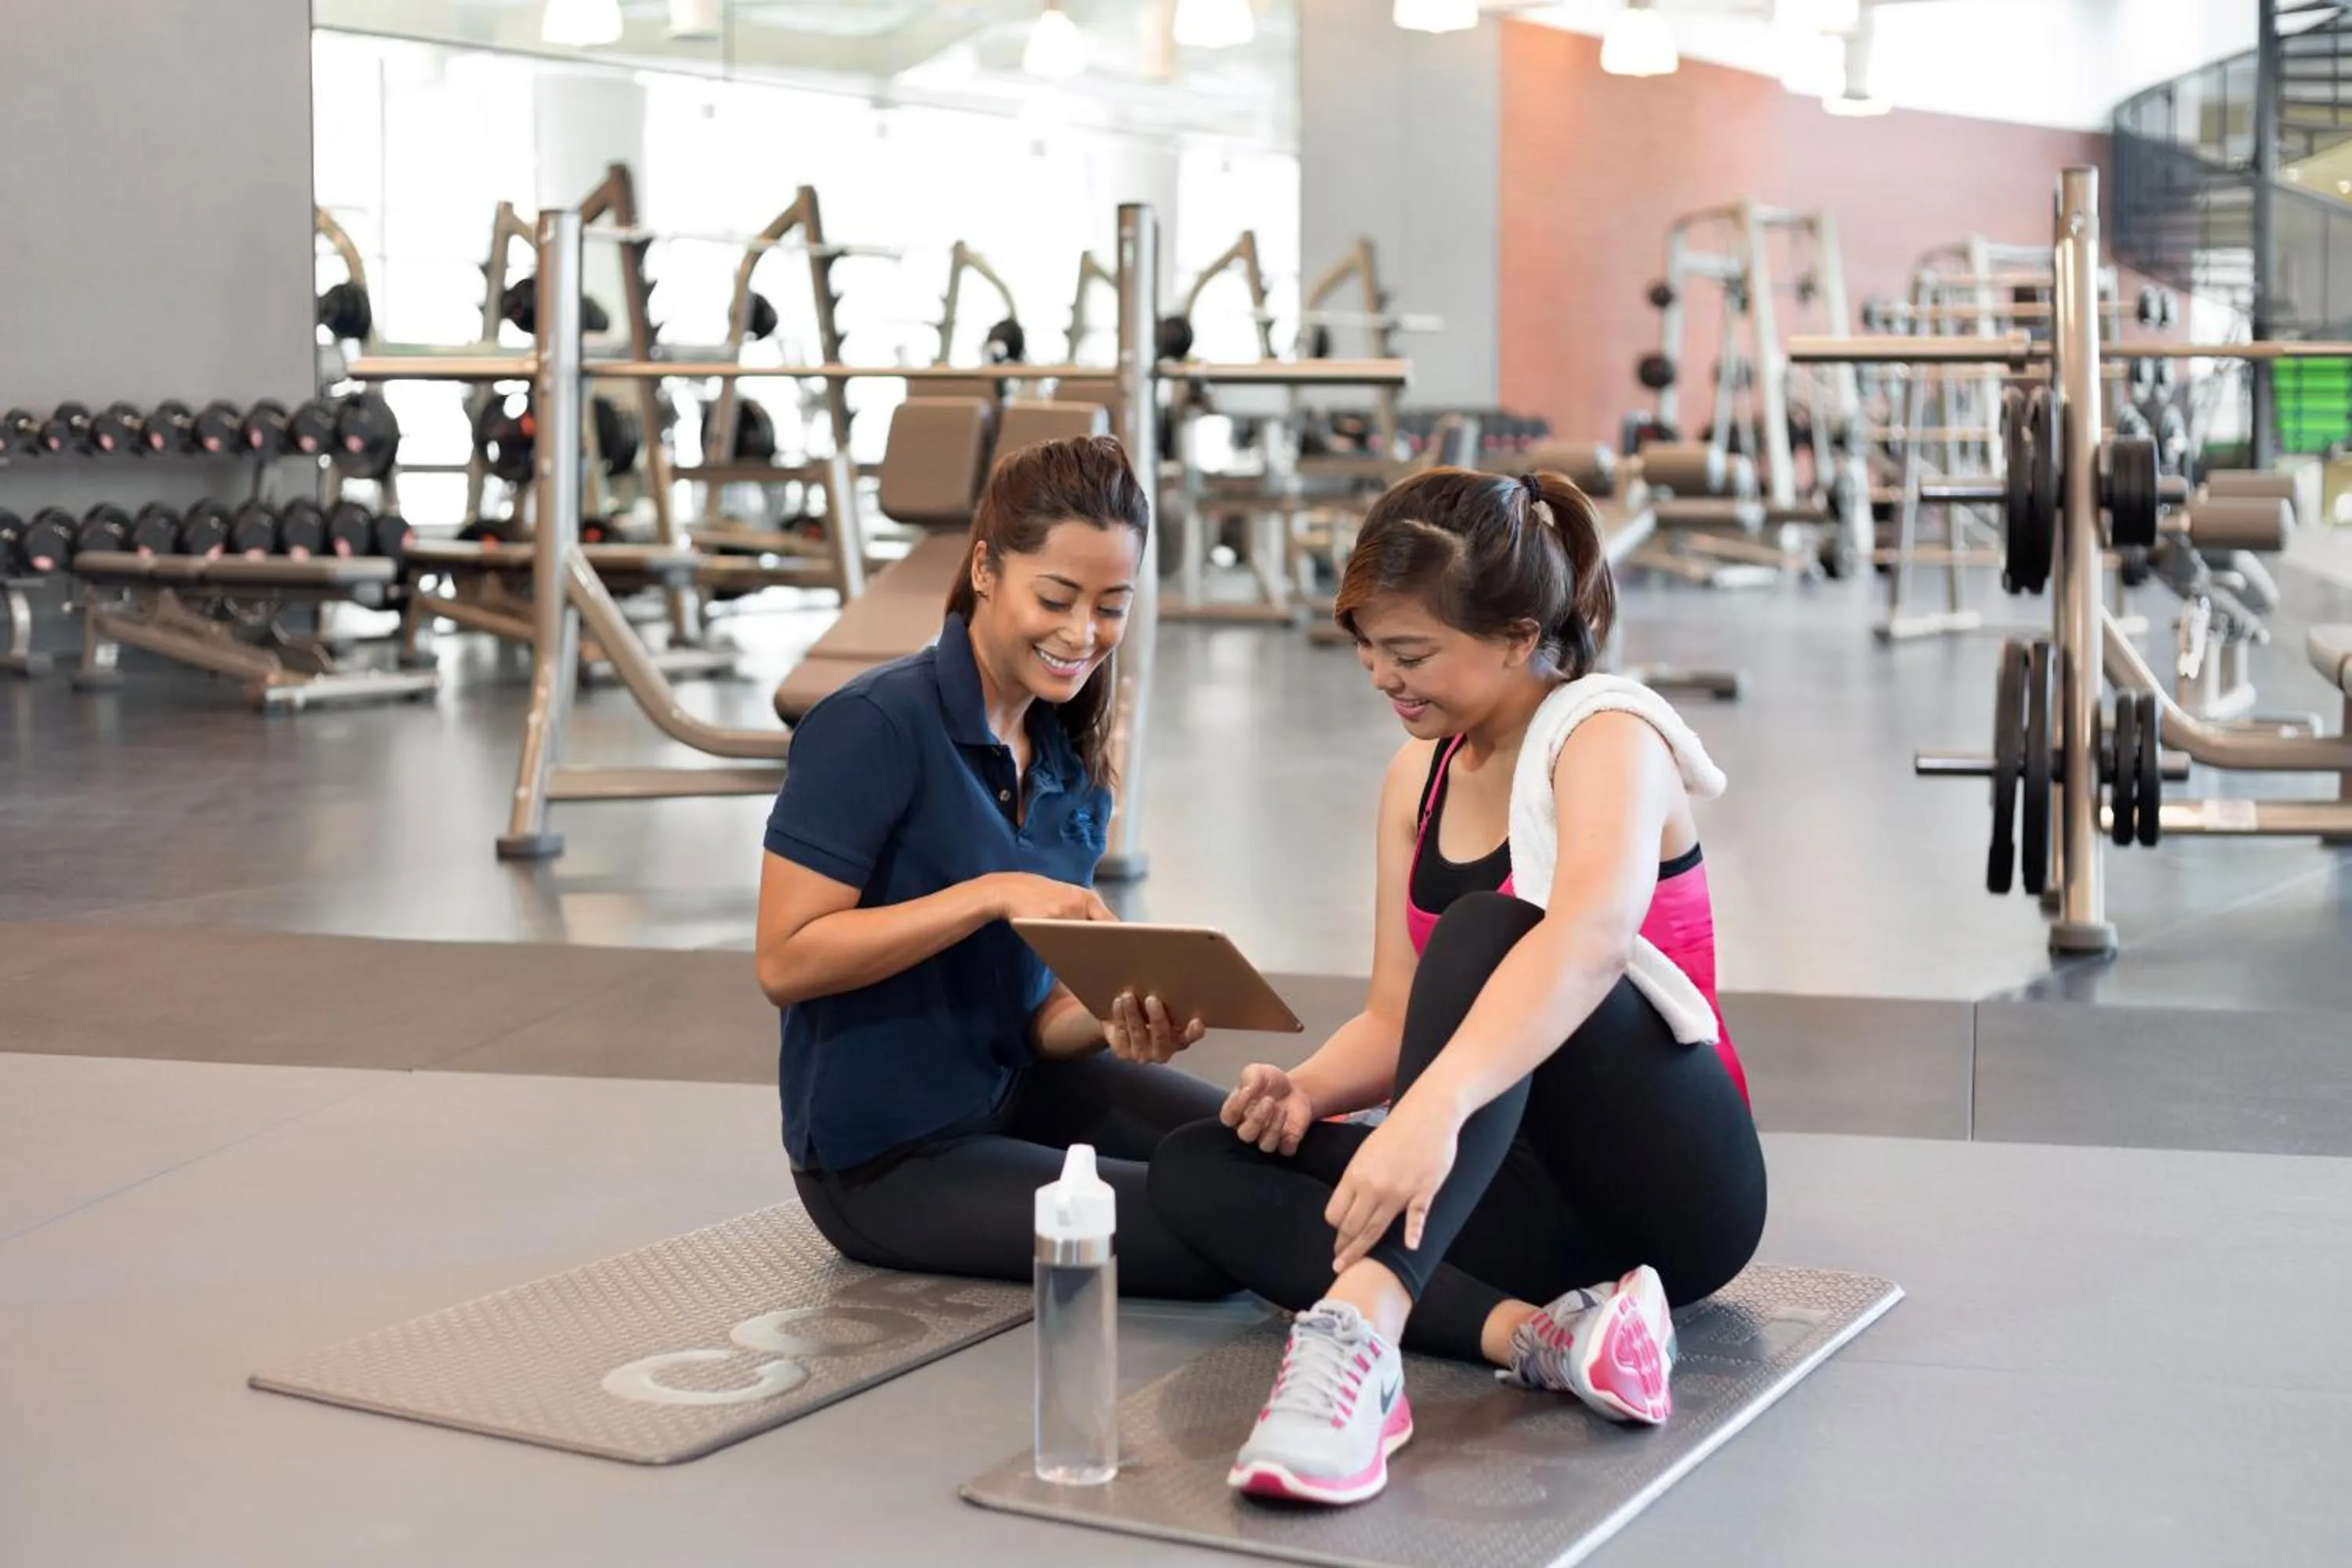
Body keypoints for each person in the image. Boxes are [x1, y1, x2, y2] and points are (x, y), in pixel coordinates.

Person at [1148, 466, 1766, 1505]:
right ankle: (1543, 1337)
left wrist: (1428, 1111)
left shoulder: (1610, 737)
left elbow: (1589, 944)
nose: (1382, 676)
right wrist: (1307, 1091)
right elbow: (1395, 1016)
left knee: (1488, 932)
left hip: (1675, 1188)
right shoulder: (1418, 776)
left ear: (1519, 635)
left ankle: (1362, 1338)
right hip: (1507, 1186)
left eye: (1411, 653)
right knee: (1198, 1165)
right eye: (1369, 648)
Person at [757, 434, 1231, 1300]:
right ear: (984, 569)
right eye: (1056, 597)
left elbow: (1034, 1022)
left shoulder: (1070, 764)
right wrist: (987, 895)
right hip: (886, 1163)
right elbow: (786, 961)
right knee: (1216, 1235)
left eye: (1111, 605)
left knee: (1266, 1155)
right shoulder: (871, 725)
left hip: (1021, 1090)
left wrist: (1114, 1015)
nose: (1083, 633)